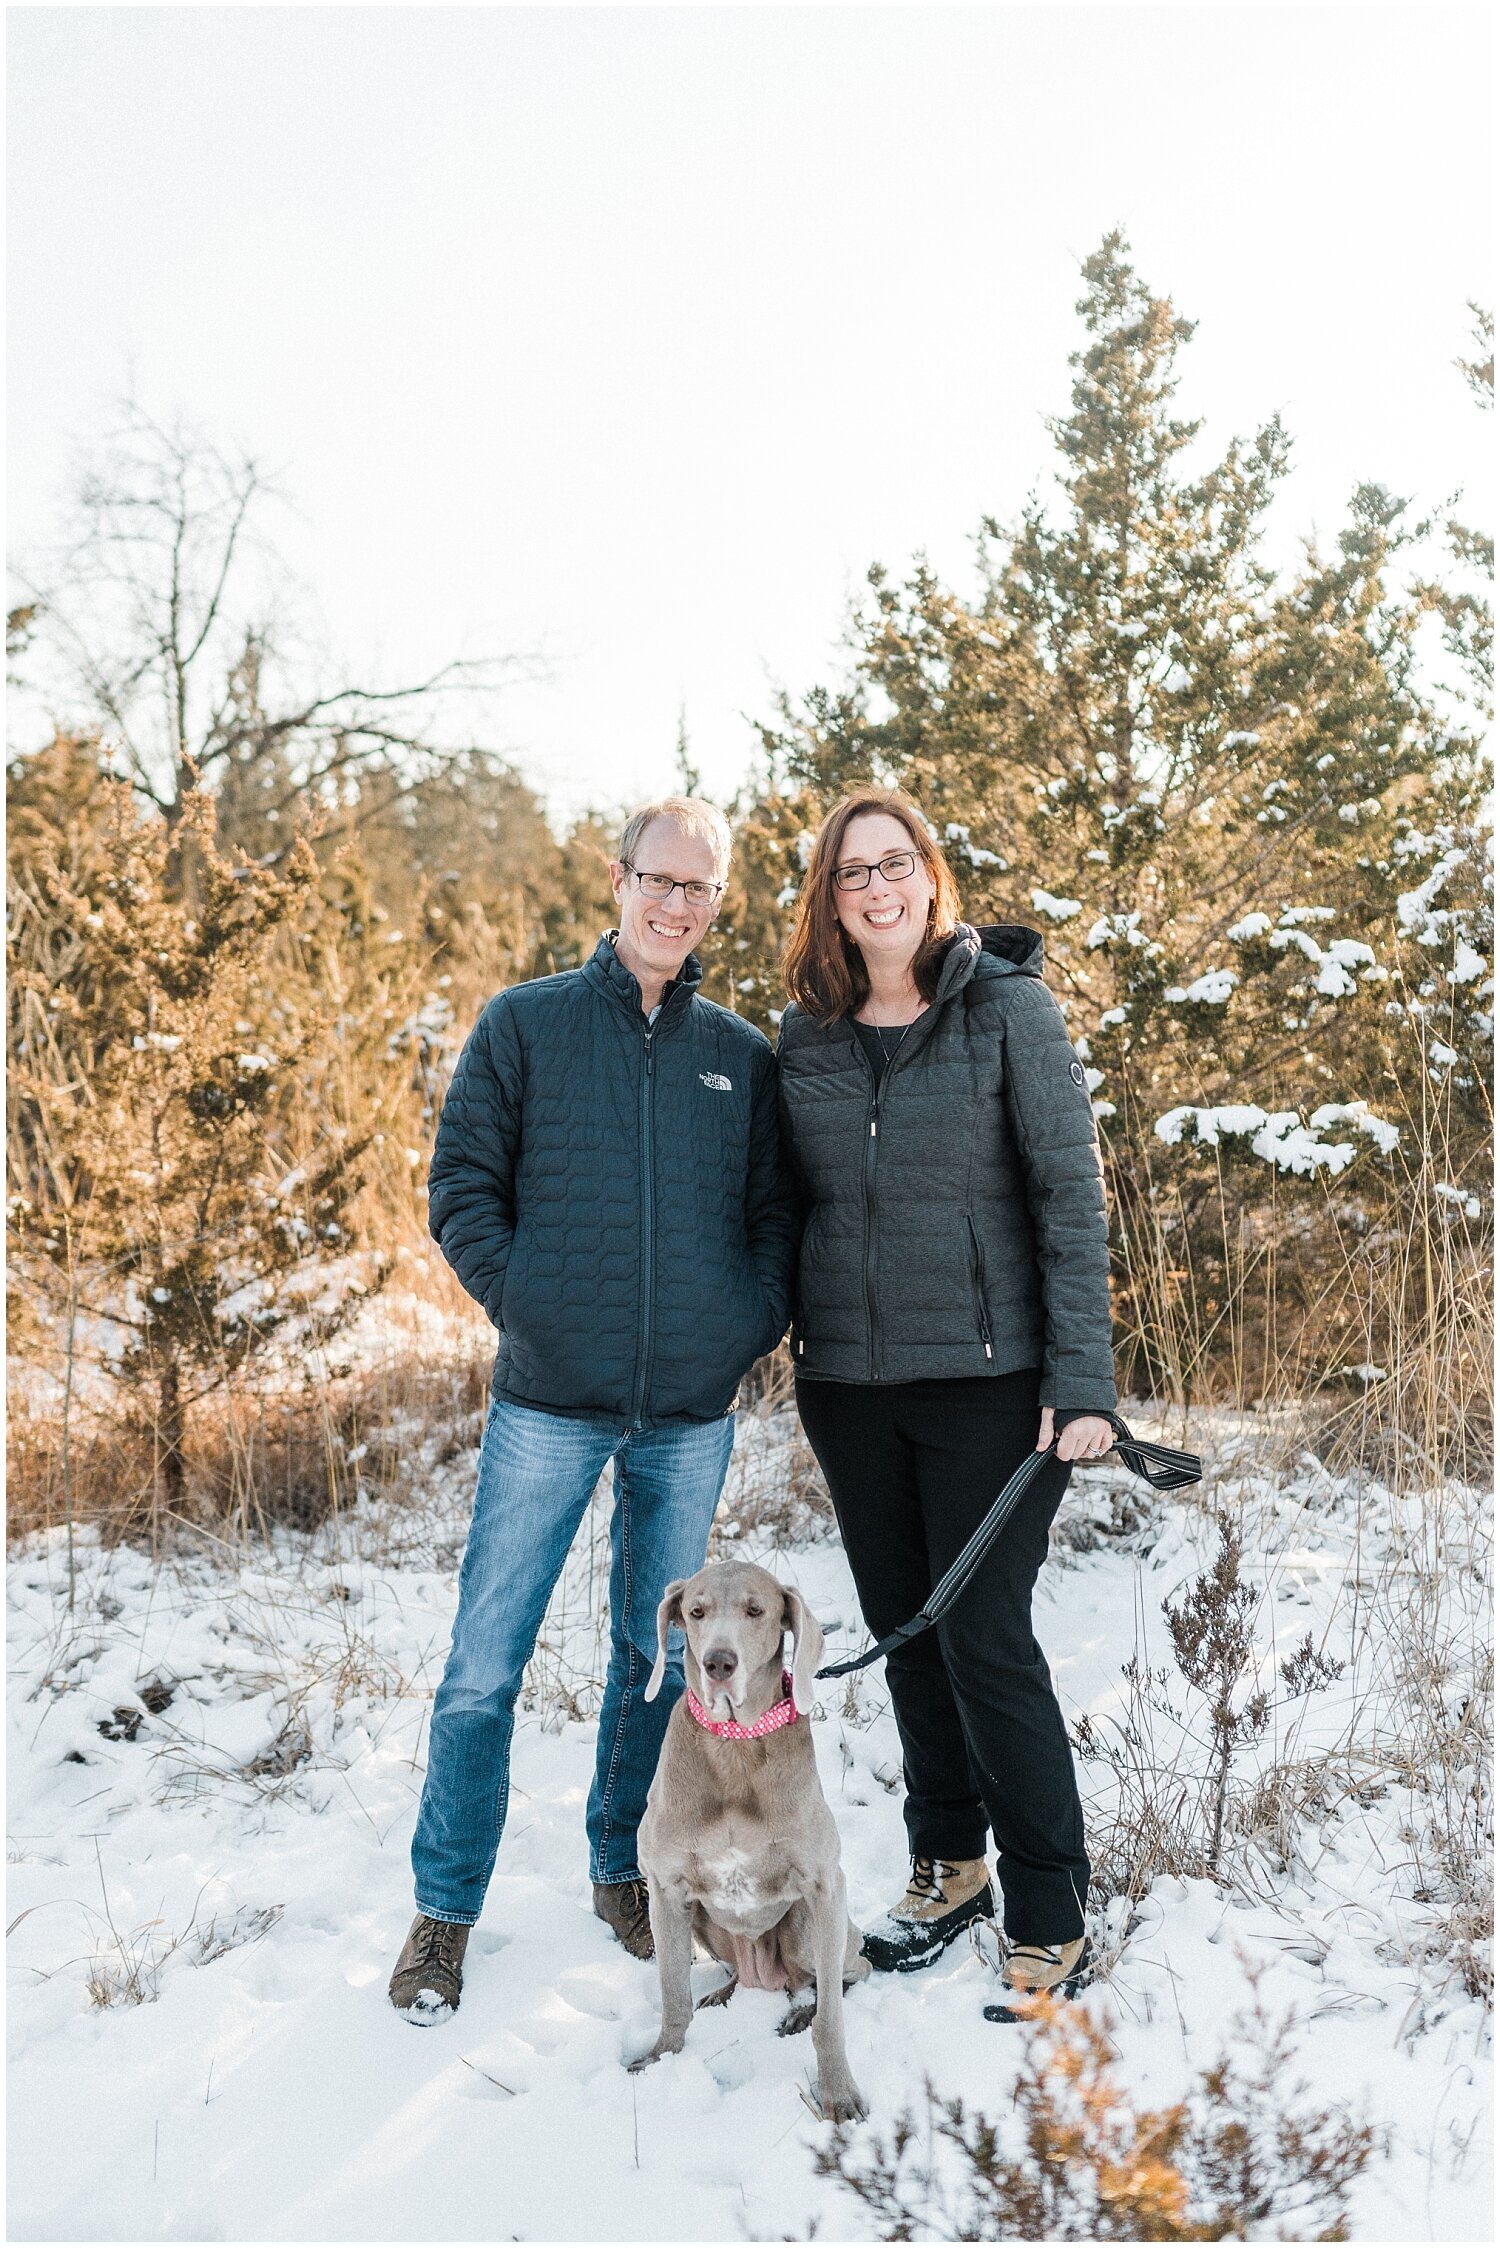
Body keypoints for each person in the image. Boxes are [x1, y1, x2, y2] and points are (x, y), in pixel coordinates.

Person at [389, 798, 797, 2023]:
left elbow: (777, 1221)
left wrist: (739, 1325)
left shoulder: (739, 1054)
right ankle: (443, 1911)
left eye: (700, 890)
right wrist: (534, 1307)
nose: (677, 905)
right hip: (548, 1405)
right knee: (482, 1666)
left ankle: (622, 1870)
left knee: (651, 1656)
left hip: (687, 1412)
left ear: (716, 903)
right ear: (617, 881)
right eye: (658, 881)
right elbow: (460, 1184)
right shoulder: (526, 1026)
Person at [777, 788, 1117, 2011]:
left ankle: (1050, 1905)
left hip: (995, 1388)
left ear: (931, 874)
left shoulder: (1007, 1012)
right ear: (829, 896)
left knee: (983, 1639)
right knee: (910, 1638)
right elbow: (782, 1213)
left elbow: (1069, 1202)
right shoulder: (805, 1037)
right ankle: (948, 1864)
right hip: (852, 1390)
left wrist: (1083, 1381)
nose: (876, 887)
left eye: (895, 863)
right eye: (851, 871)